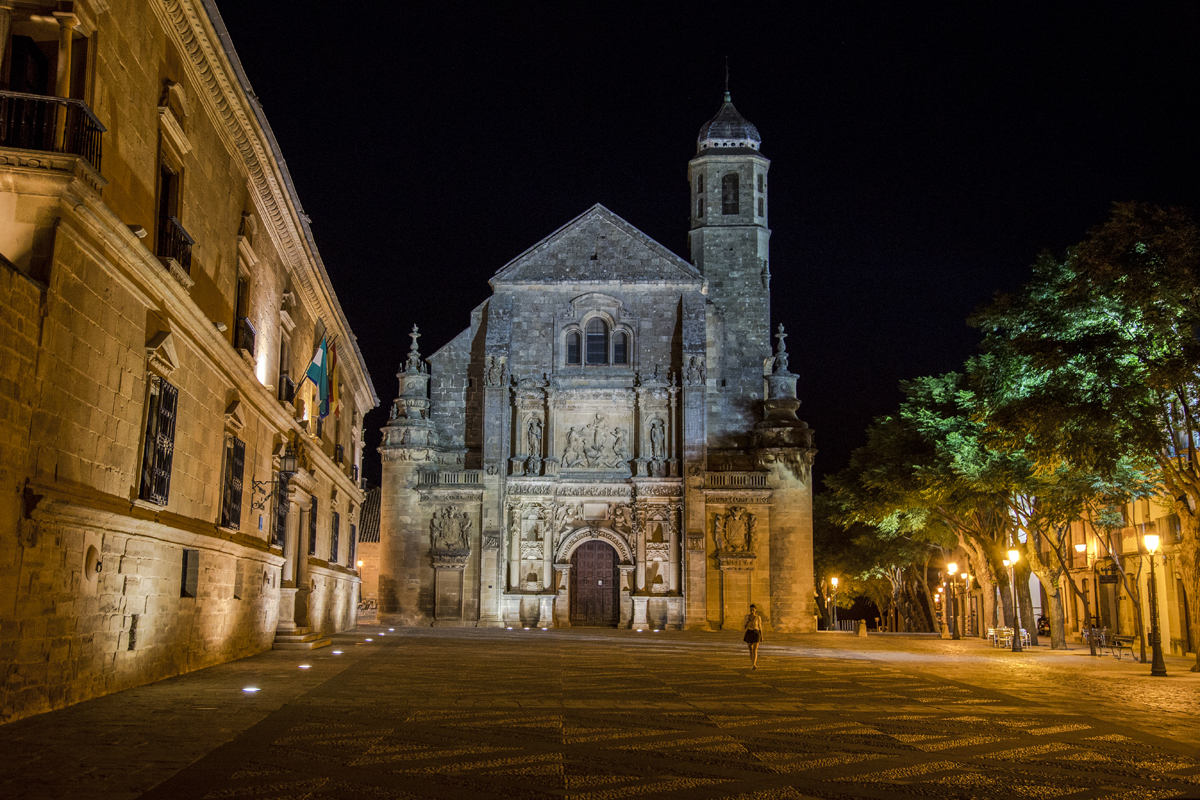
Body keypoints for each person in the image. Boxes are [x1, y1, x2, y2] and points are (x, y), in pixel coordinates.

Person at [743, 604, 763, 669]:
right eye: (751, 610)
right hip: (749, 633)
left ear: (755, 610)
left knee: (755, 650)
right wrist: (748, 622)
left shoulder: (758, 617)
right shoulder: (746, 617)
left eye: (753, 610)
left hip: (756, 633)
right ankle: (752, 663)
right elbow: (744, 627)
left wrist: (761, 636)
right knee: (750, 650)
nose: (752, 611)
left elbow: (760, 627)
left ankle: (754, 664)